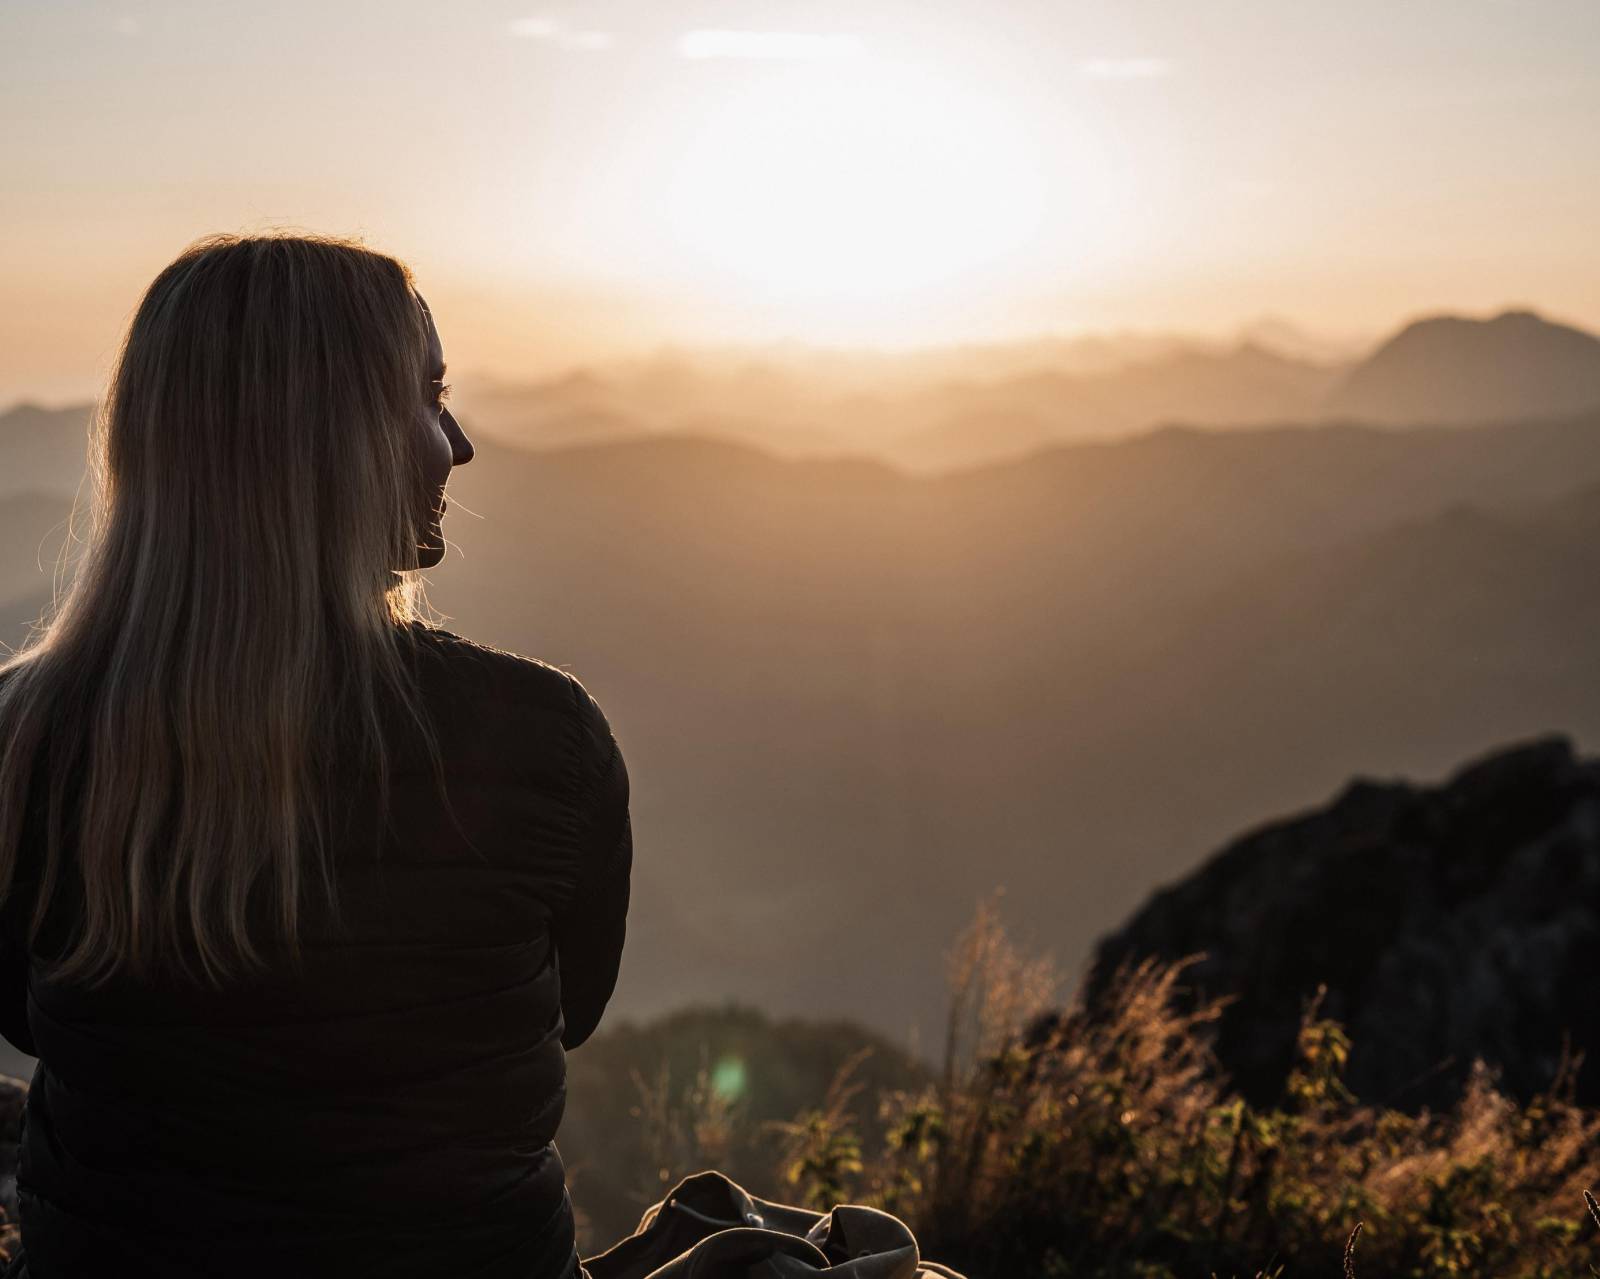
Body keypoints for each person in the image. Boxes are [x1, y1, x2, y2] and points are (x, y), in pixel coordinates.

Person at [0, 233, 632, 1278]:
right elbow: (572, 1013)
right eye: (428, 399)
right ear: (337, 441)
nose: (460, 444)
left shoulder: (26, 739)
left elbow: (28, 1024)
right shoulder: (544, 736)